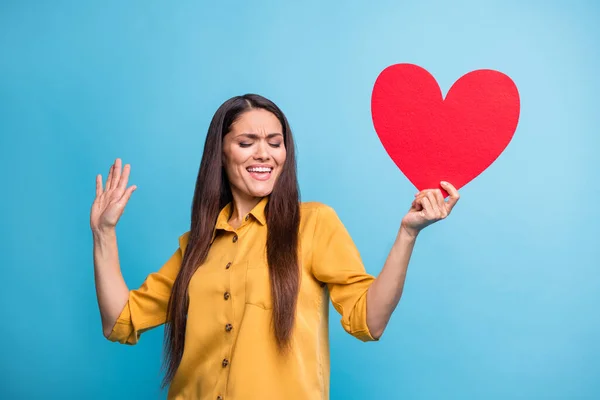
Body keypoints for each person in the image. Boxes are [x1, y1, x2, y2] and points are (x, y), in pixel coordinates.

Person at [90, 94, 460, 400]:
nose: (264, 154)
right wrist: (104, 233)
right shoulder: (197, 246)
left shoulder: (313, 224)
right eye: (246, 143)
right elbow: (120, 322)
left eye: (275, 142)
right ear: (221, 154)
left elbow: (369, 321)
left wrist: (408, 233)